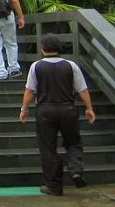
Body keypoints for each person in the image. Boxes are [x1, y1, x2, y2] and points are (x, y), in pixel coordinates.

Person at [19, 34, 96, 197]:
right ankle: (76, 171)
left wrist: (24, 109)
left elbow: (29, 90)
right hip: (68, 109)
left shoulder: (36, 66)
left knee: (48, 148)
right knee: (73, 142)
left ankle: (54, 186)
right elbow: (82, 89)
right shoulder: (71, 65)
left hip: (45, 110)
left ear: (42, 49)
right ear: (60, 48)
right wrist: (89, 108)